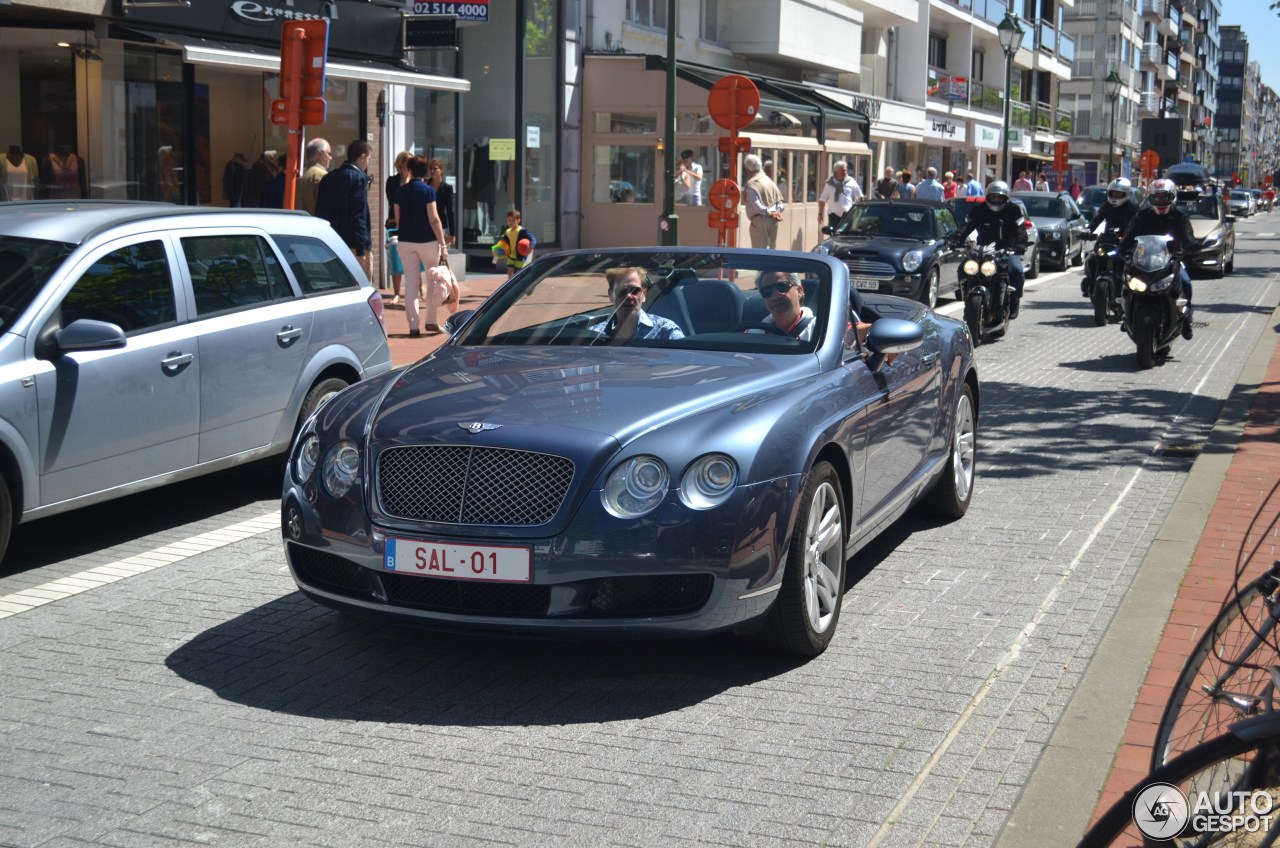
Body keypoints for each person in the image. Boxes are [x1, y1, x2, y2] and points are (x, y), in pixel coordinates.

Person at [1120, 177, 1200, 339]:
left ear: (1173, 197)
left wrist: (1190, 248)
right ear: (1150, 198)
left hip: (1171, 260)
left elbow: (1188, 237)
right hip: (1145, 259)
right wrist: (1124, 251)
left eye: (1164, 197)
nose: (1161, 201)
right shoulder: (1142, 216)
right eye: (1157, 198)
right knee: (1127, 283)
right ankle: (1126, 314)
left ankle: (1186, 317)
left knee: (1186, 283)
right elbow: (1129, 235)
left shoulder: (1180, 216)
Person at [950, 180, 1029, 318]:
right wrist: (957, 240)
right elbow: (966, 226)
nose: (996, 199)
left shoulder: (1013, 210)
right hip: (983, 249)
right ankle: (966, 295)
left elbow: (1020, 230)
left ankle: (1014, 300)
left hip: (1006, 249)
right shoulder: (979, 210)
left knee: (1016, 271)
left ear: (1005, 198)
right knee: (963, 268)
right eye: (994, 197)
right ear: (988, 197)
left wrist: (1020, 245)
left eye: (999, 197)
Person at [393, 156, 449, 336]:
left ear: (408, 169)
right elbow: (434, 219)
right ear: (425, 171)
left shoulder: (400, 192)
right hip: (427, 241)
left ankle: (413, 325)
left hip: (405, 241)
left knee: (410, 283)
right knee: (432, 279)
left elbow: (399, 220)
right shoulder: (428, 191)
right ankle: (431, 321)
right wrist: (443, 244)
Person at [315, 139, 374, 279]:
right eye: (369, 159)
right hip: (353, 244)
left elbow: (320, 211)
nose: (368, 163)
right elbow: (358, 215)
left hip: (331, 242)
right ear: (362, 157)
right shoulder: (359, 179)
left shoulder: (328, 178)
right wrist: (361, 250)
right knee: (362, 287)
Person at [588, 267, 685, 343]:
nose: (629, 296)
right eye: (622, 291)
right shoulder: (593, 335)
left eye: (635, 290)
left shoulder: (666, 331)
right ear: (611, 295)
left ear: (644, 294)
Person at [1081, 177, 1140, 298]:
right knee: (1092, 260)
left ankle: (1132, 292)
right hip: (1107, 240)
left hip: (1126, 243)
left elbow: (1138, 225)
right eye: (1113, 193)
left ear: (1126, 194)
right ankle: (1091, 284)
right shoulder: (1107, 206)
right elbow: (1097, 219)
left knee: (1133, 265)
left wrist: (1136, 237)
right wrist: (1088, 230)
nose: (1116, 196)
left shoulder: (1133, 209)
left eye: (1119, 194)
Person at [383, 150, 413, 305]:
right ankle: (396, 293)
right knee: (396, 256)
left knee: (413, 257)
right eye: (407, 162)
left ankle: (417, 288)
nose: (409, 165)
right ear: (400, 164)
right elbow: (393, 199)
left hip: (412, 222)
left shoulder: (416, 180)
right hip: (395, 222)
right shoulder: (392, 181)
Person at [755, 271, 817, 340]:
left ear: (799, 291)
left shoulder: (818, 330)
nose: (775, 296)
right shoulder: (753, 333)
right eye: (766, 291)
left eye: (781, 286)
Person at [743, 153, 784, 249]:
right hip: (774, 221)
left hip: (760, 220)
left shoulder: (752, 184)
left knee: (759, 252)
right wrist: (777, 212)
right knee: (771, 250)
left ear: (748, 169)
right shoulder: (769, 181)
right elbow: (780, 202)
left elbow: (756, 205)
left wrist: (768, 212)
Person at [817, 160, 863, 229]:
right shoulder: (829, 183)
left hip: (847, 216)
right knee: (834, 236)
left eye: (845, 170)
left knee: (847, 237)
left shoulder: (851, 181)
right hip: (834, 216)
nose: (845, 173)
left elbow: (860, 196)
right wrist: (820, 213)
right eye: (843, 171)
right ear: (836, 172)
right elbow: (822, 199)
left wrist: (860, 212)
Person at [491, 208, 536, 276]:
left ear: (518, 221)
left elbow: (533, 238)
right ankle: (510, 285)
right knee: (510, 270)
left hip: (520, 257)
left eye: (513, 220)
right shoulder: (507, 232)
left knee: (520, 273)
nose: (511, 222)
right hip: (511, 256)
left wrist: (531, 246)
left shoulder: (522, 231)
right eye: (509, 220)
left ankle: (521, 284)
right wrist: (498, 250)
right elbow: (503, 242)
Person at [296, 137, 331, 216]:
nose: (330, 157)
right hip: (317, 223)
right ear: (319, 153)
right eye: (329, 154)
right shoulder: (321, 176)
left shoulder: (301, 175)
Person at [426, 158, 457, 245]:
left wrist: (452, 233)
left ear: (441, 170)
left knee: (440, 252)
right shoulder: (425, 185)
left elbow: (450, 211)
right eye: (430, 168)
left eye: (435, 168)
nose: (432, 171)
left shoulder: (447, 188)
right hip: (426, 224)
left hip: (441, 224)